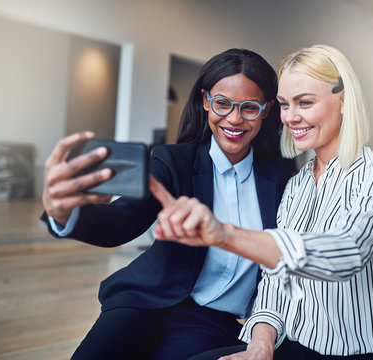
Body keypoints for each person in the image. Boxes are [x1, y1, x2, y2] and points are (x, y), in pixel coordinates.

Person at [150, 45, 373, 360]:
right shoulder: (296, 185)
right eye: (285, 105)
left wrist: (225, 235)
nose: (290, 117)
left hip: (358, 353)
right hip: (295, 346)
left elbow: (347, 251)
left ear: (343, 100)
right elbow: (274, 280)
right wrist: (260, 344)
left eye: (305, 103)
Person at [40, 48, 293, 360]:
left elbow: (282, 263)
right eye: (223, 104)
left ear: (267, 110)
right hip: (145, 300)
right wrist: (64, 212)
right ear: (205, 101)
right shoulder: (173, 160)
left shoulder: (282, 180)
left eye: (249, 108)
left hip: (212, 321)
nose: (234, 119)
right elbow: (124, 220)